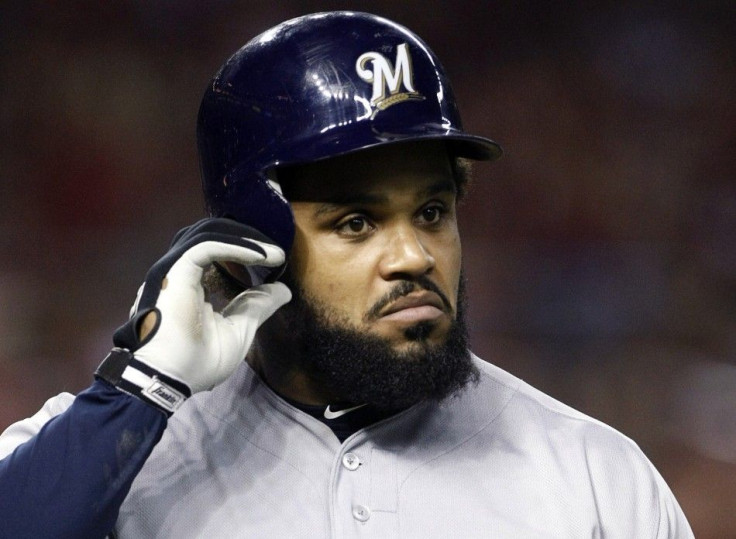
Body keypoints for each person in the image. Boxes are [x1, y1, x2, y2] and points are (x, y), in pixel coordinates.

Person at [0, 11, 694, 538]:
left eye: (431, 210)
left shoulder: (595, 478)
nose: (415, 256)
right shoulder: (112, 454)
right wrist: (139, 391)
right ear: (250, 239)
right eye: (356, 222)